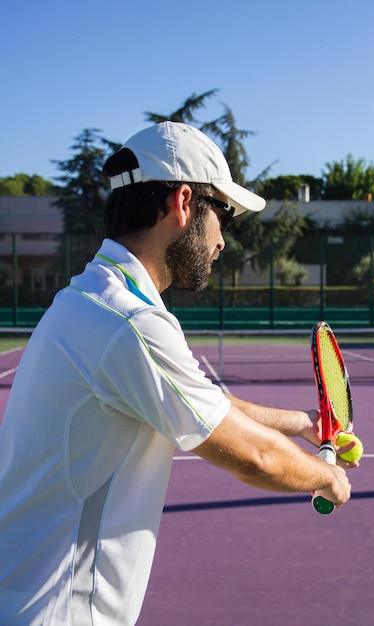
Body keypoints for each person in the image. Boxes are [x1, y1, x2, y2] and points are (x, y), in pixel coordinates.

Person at [0, 121, 354, 626]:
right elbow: (252, 457)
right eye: (223, 216)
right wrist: (327, 478)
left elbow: (208, 402)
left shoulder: (93, 300)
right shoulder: (130, 322)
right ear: (184, 204)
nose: (223, 241)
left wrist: (302, 423)